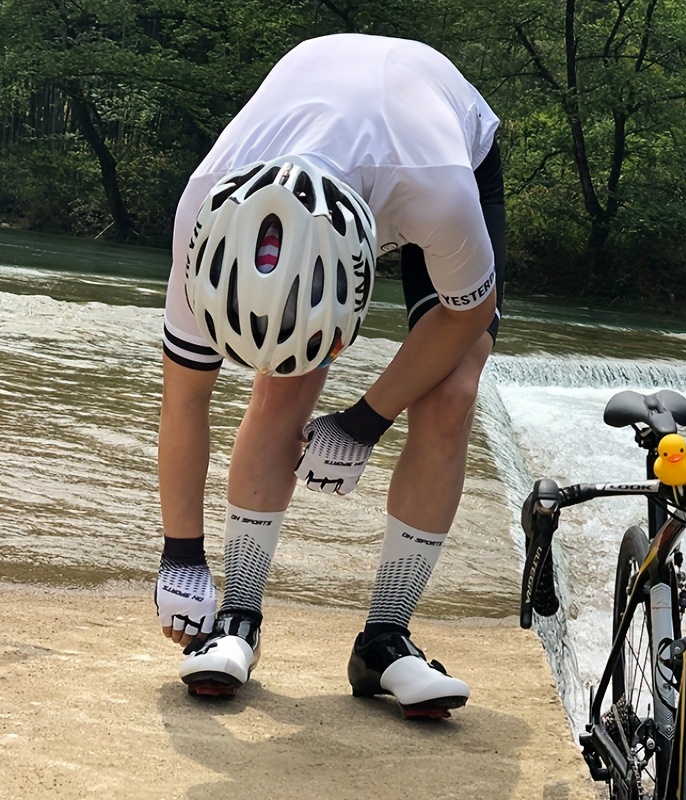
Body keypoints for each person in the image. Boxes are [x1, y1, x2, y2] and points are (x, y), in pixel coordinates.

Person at [154, 32, 505, 720]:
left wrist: (363, 420)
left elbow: (469, 315)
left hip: (434, 135)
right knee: (283, 377)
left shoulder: (437, 193)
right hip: (325, 139)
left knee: (451, 394)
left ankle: (385, 639)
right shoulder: (202, 216)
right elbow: (185, 400)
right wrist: (180, 556)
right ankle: (239, 618)